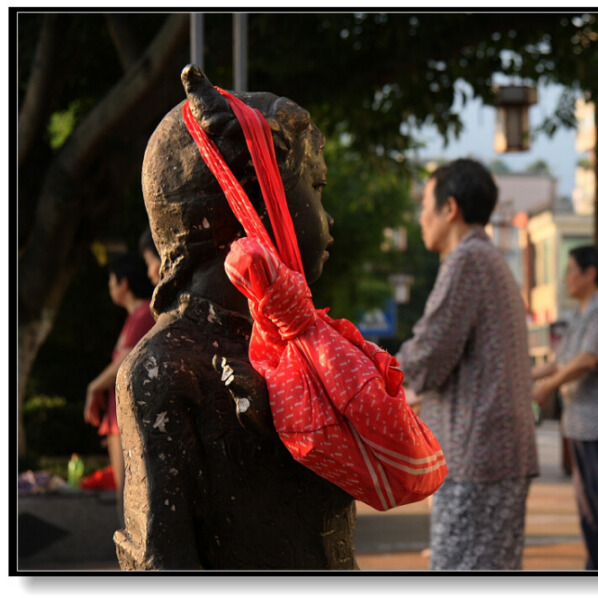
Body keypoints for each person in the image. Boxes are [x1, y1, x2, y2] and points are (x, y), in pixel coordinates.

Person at [114, 66, 359, 569]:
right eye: (315, 188)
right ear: (253, 204)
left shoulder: (305, 346)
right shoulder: (165, 369)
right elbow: (162, 563)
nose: (327, 217)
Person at [395, 158, 539, 570]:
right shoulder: (487, 258)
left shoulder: (467, 259)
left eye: (425, 205)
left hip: (477, 453)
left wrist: (367, 376)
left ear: (450, 208)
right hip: (494, 450)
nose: (421, 217)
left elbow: (427, 353)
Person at [532, 245, 598, 570]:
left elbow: (587, 359)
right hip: (582, 424)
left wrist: (548, 387)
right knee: (589, 510)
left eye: (570, 271)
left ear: (591, 274)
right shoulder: (582, 312)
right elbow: (559, 362)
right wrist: (522, 377)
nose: (566, 278)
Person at [84, 252, 155, 526]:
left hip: (126, 419)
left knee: (129, 495)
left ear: (124, 283)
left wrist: (93, 387)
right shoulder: (133, 318)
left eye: (111, 281)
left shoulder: (142, 315)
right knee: (125, 493)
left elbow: (125, 360)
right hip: (117, 418)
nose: (110, 287)